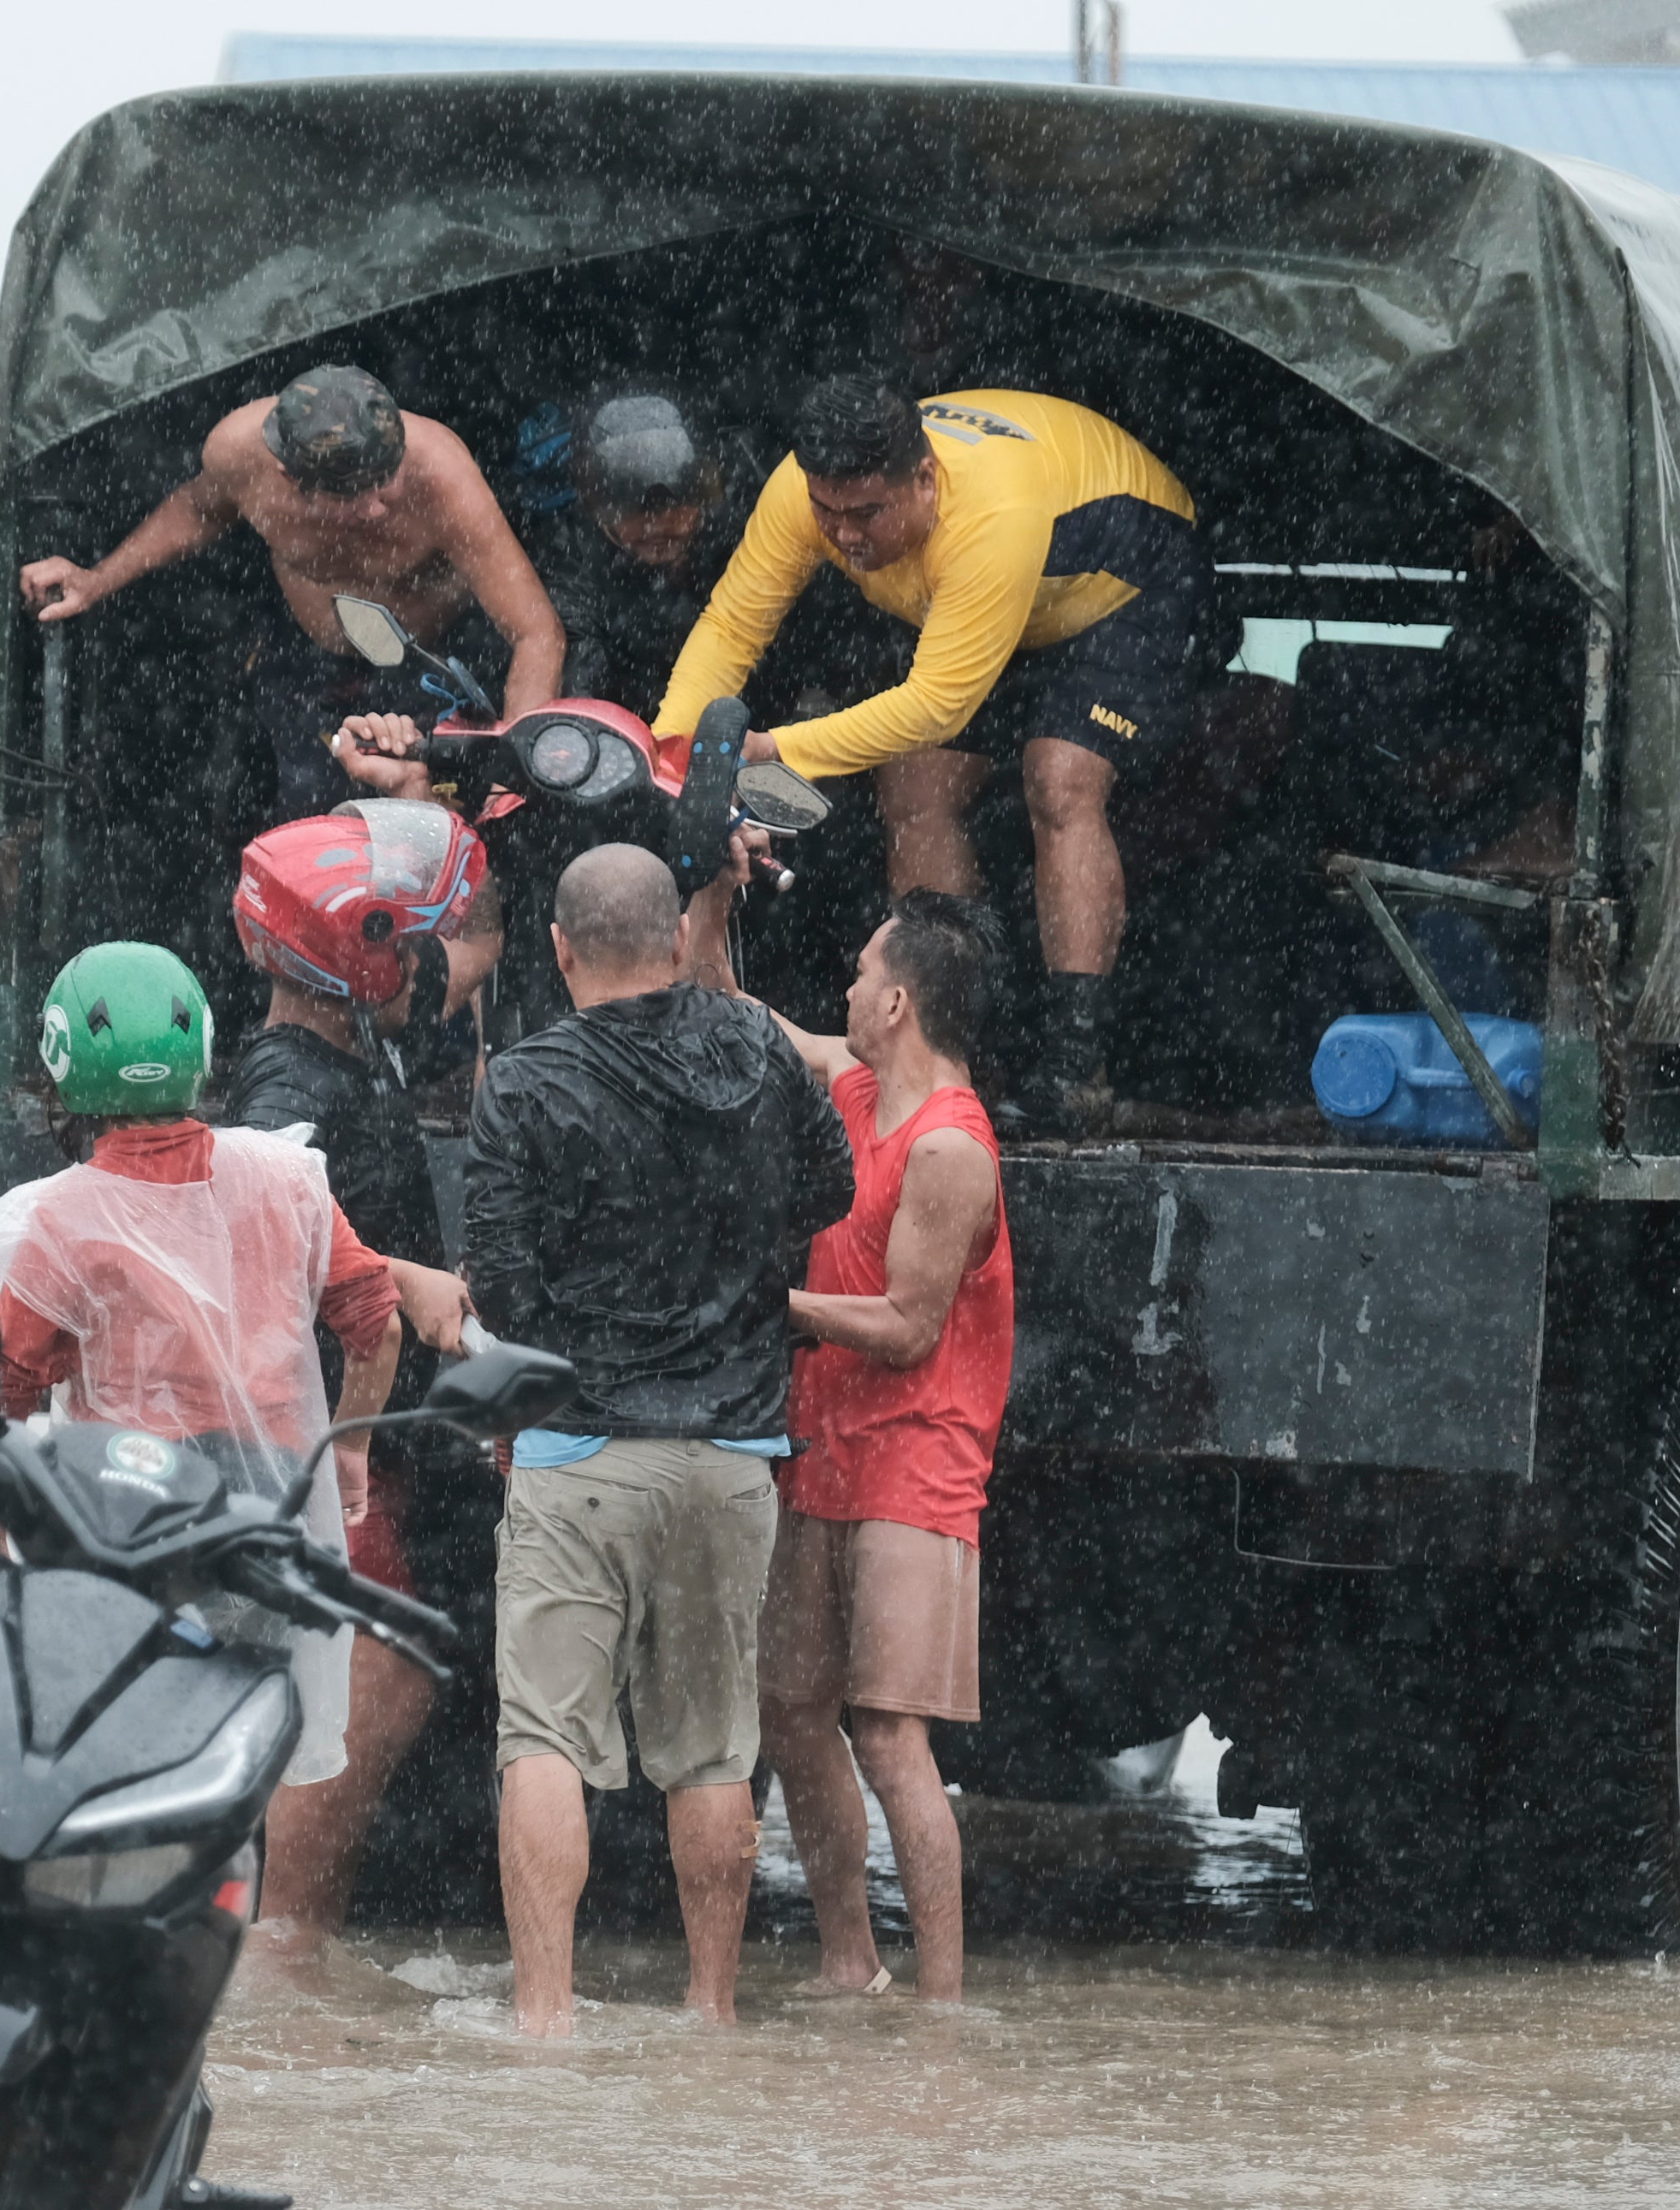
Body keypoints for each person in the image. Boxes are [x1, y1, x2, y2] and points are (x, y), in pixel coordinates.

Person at [464, 843, 855, 2035]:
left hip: (579, 1450)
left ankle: (544, 2020)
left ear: (560, 949)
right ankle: (712, 2011)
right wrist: (725, 1258)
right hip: (732, 1456)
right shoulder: (753, 1049)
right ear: (682, 940)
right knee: (711, 1746)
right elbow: (829, 1193)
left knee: (543, 1733)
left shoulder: (522, 1084)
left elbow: (504, 1294)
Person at [0, 941, 459, 1878]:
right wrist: (345, 1451)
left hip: (127, 1519)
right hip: (265, 1511)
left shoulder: (58, 1221)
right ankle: (235, 1942)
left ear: (65, 1056)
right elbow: (376, 1324)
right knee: (242, 1736)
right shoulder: (284, 1178)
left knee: (131, 1760)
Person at [655, 376, 1204, 1132]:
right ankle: (950, 1054)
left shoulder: (991, 514)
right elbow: (731, 628)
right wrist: (672, 754)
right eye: (829, 515)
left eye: (868, 514)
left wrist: (772, 750)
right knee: (914, 789)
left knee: (1060, 778)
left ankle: (1078, 1070)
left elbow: (937, 703)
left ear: (924, 479)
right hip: (997, 594)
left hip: (1129, 579)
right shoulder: (801, 490)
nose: (846, 537)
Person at [686, 865, 1012, 2002]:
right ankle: (847, 1960)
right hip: (824, 1449)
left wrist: (762, 1301)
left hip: (917, 1462)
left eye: (864, 968)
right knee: (790, 1711)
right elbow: (728, 1009)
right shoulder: (860, 1088)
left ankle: (944, 1999)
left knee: (888, 1731)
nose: (848, 978)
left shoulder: (950, 1146)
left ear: (899, 1004)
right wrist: (716, 886)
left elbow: (909, 1327)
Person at [209, 802, 490, 1937]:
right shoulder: (288, 1094)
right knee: (374, 1675)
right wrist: (402, 1276)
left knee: (373, 1670)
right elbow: (261, 1230)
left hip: (341, 1433)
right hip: (323, 1441)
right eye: (407, 937)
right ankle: (287, 1948)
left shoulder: (339, 1046)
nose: (430, 955)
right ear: (357, 951)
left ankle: (279, 1940)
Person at [16, 363, 568, 820]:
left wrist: (513, 769)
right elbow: (197, 511)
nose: (380, 503)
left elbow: (535, 631)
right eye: (356, 492)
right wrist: (97, 579)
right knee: (315, 829)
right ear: (291, 478)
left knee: (433, 834)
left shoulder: (441, 475)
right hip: (313, 671)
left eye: (387, 476)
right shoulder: (240, 455)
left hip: (430, 671)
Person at [531, 392, 765, 710]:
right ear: (594, 507)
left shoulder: (746, 531)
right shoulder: (570, 553)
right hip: (626, 728)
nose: (655, 527)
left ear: (705, 497)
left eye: (675, 505)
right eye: (630, 509)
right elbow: (578, 663)